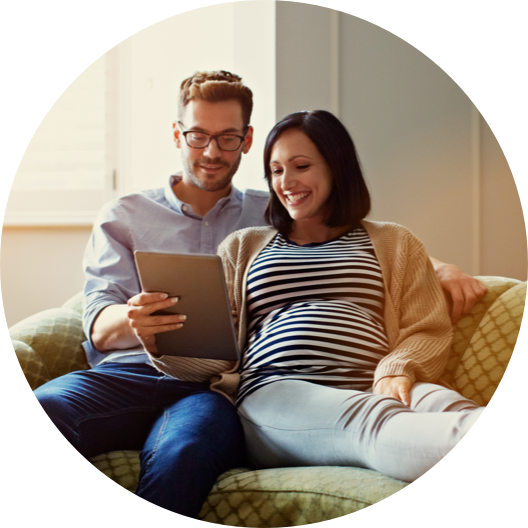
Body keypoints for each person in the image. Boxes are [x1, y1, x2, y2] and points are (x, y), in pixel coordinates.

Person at [34, 71, 486, 515]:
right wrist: (140, 325)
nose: (212, 151)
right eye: (197, 136)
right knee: (48, 406)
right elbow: (100, 321)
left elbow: (389, 266)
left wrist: (444, 270)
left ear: (246, 140)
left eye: (227, 138)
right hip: (154, 375)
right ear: (177, 134)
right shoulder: (143, 217)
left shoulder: (280, 213)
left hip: (220, 391)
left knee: (184, 451)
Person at [153, 109, 486, 483]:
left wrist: (398, 370)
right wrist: (160, 338)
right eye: (276, 170)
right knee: (376, 424)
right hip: (278, 393)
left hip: (374, 382)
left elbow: (428, 328)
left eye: (300, 166)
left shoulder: (395, 241)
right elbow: (214, 356)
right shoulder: (243, 247)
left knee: (451, 407)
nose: (286, 182)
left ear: (336, 167)